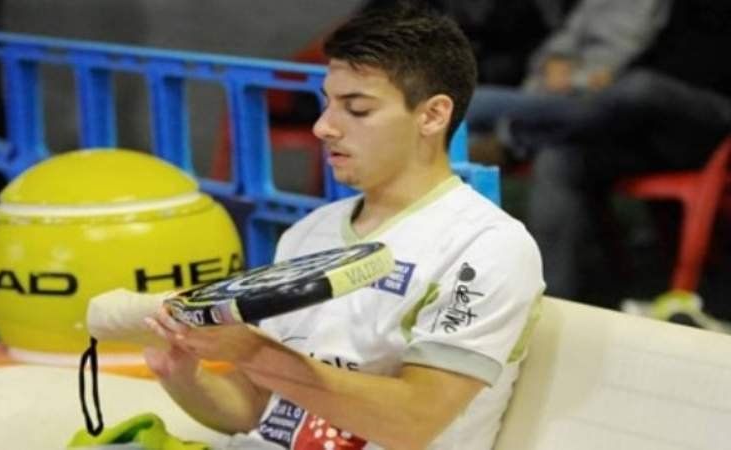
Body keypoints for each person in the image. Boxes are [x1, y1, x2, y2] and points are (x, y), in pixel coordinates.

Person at [143, 3, 545, 450]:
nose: (323, 127)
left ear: (432, 115)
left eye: (356, 109)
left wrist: (254, 351)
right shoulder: (308, 232)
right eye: (327, 103)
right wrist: (181, 375)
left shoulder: (488, 246)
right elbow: (258, 409)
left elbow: (414, 421)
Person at [516, 0, 731, 303]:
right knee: (559, 160)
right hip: (642, 127)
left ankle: (524, 125)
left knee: (640, 86)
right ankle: (550, 302)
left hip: (708, 119)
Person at [464, 0, 672, 165]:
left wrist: (578, 77)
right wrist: (554, 61)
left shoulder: (654, 9)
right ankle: (510, 141)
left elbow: (630, 63)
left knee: (471, 103)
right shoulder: (593, 4)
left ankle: (510, 142)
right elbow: (561, 41)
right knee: (464, 138)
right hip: (553, 89)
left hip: (594, 96)